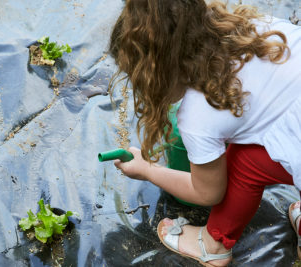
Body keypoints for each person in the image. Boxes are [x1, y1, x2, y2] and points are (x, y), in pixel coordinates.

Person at [108, 0, 301, 266]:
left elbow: (208, 193)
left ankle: (213, 245)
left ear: (156, 74)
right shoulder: (256, 28)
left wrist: (147, 169)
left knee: (243, 163)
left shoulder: (199, 115)